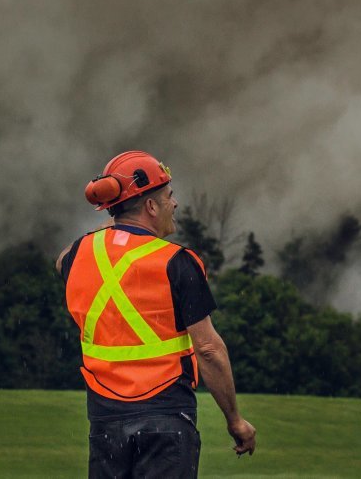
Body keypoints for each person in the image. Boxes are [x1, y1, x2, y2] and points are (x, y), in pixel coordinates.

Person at [56, 150, 256, 478]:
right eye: (168, 196)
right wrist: (234, 419)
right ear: (151, 206)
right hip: (166, 419)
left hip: (105, 421)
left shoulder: (79, 254)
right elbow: (208, 349)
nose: (174, 204)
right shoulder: (178, 261)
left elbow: (62, 259)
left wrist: (116, 216)